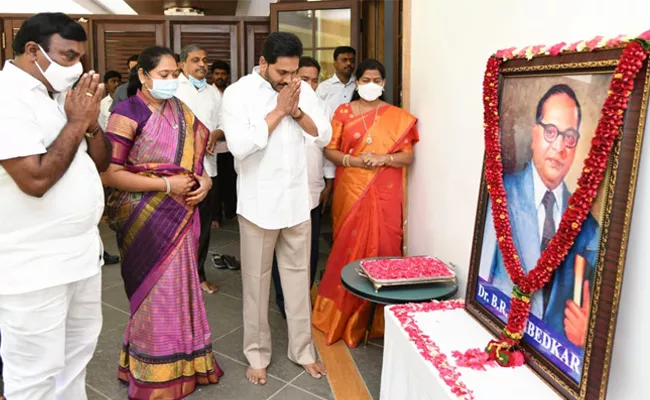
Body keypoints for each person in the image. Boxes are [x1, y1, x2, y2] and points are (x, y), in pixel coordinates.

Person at [101, 46, 223, 399]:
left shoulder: (181, 110)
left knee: (182, 290)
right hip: (145, 219)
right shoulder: (126, 112)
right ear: (143, 75)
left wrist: (206, 182)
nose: (171, 81)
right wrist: (166, 185)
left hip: (182, 215)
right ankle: (154, 373)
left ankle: (186, 364)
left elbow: (198, 160)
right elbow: (111, 172)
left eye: (175, 75)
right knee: (154, 295)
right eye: (164, 75)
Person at [0, 12, 110, 399]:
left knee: (76, 356)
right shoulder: (7, 98)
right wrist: (77, 124)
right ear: (33, 50)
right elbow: (35, 180)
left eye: (80, 57)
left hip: (80, 256)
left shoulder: (61, 94)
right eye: (68, 56)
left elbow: (99, 163)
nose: (76, 67)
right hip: (34, 267)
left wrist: (91, 124)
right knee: (33, 372)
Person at [221, 32, 330, 385]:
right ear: (263, 63)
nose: (289, 79)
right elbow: (239, 146)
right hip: (257, 205)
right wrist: (279, 110)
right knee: (256, 283)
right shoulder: (238, 93)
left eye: (294, 71)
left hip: (297, 201)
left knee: (299, 280)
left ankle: (303, 351)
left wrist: (296, 110)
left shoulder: (303, 89)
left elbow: (323, 134)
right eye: (282, 72)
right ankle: (257, 353)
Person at [479, 84, 599, 348]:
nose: (559, 147)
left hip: (553, 359)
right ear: (534, 135)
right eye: (551, 131)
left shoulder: (590, 230)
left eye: (569, 136)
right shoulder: (500, 194)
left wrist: (587, 335)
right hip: (498, 334)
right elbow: (481, 283)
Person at [312, 59, 419, 348]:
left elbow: (407, 157)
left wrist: (383, 159)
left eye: (376, 80)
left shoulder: (397, 116)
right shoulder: (343, 112)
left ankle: (376, 319)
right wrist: (355, 161)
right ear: (356, 82)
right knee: (347, 244)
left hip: (384, 191)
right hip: (351, 188)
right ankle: (341, 315)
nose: (370, 85)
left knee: (384, 244)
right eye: (365, 80)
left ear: (383, 83)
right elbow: (330, 150)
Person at [271, 56, 335, 318]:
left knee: (308, 250)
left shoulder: (321, 106)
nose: (308, 84)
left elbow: (325, 145)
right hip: (284, 190)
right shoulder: (279, 104)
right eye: (303, 79)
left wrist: (327, 182)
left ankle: (303, 296)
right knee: (282, 249)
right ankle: (283, 299)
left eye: (313, 79)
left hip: (312, 187)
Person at [175, 44, 223, 294]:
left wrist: (218, 131)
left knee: (202, 229)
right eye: (195, 60)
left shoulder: (214, 92)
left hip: (208, 171)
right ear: (182, 64)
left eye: (205, 60)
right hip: (178, 171)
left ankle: (198, 274)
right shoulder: (173, 88)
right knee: (177, 228)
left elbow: (224, 121)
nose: (202, 64)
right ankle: (175, 278)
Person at [98, 69, 123, 265]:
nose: (116, 84)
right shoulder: (101, 104)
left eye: (118, 81)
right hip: (102, 144)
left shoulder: (123, 97)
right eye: (112, 81)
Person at [210, 60, 238, 229]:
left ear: (228, 75)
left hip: (231, 147)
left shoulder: (233, 92)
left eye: (223, 74)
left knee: (231, 182)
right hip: (213, 148)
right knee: (215, 184)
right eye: (217, 74)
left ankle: (231, 212)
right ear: (212, 75)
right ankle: (215, 217)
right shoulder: (207, 93)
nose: (220, 77)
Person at [316, 46, 356, 111]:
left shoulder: (359, 85)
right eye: (344, 60)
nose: (349, 63)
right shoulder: (323, 87)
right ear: (335, 63)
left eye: (352, 60)